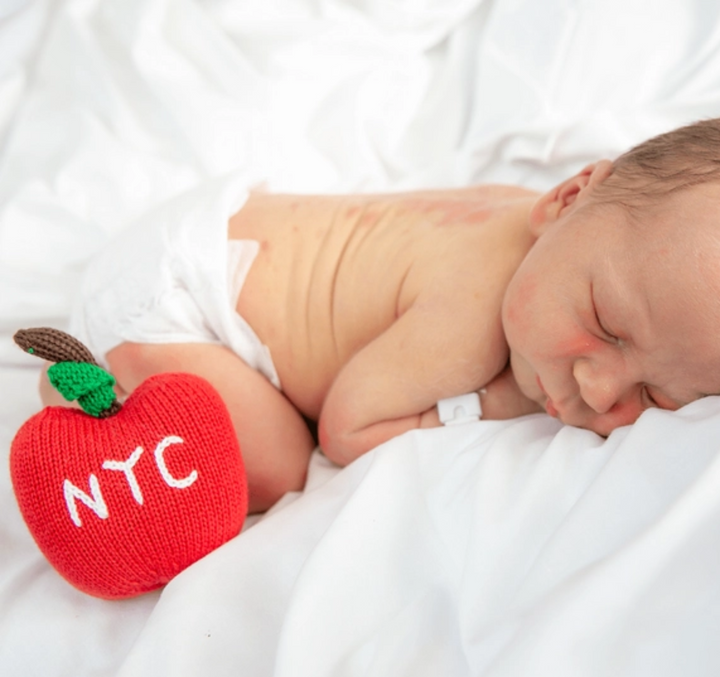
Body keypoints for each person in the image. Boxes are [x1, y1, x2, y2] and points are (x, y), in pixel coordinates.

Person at [43, 118, 720, 513]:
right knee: (278, 468)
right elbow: (346, 429)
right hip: (181, 302)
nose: (601, 392)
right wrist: (490, 403)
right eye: (605, 321)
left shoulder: (541, 223)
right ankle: (97, 373)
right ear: (570, 196)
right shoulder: (469, 317)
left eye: (657, 395)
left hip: (210, 226)